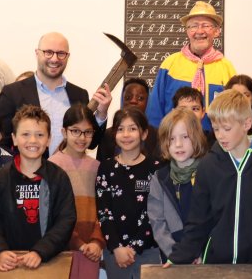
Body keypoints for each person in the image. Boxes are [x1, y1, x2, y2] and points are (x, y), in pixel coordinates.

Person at [165, 89, 252, 266]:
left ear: (246, 123)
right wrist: (178, 257)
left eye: (226, 128)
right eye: (216, 129)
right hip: (219, 263)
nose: (220, 135)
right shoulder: (208, 165)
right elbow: (198, 222)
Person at [0, 105, 76, 272]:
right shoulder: (0, 179)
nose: (33, 141)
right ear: (14, 138)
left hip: (50, 261)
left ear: (49, 139)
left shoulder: (59, 177)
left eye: (40, 135)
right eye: (25, 134)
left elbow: (66, 220)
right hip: (9, 262)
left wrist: (41, 251)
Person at [0, 32, 112, 153]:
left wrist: (101, 114)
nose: (54, 59)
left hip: (70, 171)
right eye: (48, 52)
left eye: (61, 53)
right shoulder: (12, 93)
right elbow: (3, 142)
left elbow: (91, 143)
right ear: (37, 53)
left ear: (68, 56)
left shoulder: (80, 95)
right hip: (27, 170)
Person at [147, 1, 237, 130]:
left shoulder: (227, 68)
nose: (199, 31)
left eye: (206, 25)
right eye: (193, 26)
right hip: (174, 142)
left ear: (217, 31)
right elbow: (155, 109)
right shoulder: (170, 65)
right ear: (187, 31)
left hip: (215, 144)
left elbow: (234, 113)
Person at [96, 108, 162, 278]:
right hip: (115, 252)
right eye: (120, 129)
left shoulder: (156, 168)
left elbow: (156, 212)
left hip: (149, 250)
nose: (126, 134)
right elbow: (104, 212)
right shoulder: (106, 167)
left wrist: (134, 247)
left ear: (144, 133)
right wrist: (117, 247)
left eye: (132, 128)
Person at [48, 104, 106, 279]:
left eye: (88, 132)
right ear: (64, 132)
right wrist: (78, 243)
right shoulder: (52, 166)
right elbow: (53, 213)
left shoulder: (97, 167)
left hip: (92, 249)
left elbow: (104, 209)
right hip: (62, 247)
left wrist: (96, 241)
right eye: (75, 131)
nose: (82, 138)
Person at [147, 108, 209, 258]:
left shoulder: (208, 172)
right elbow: (158, 223)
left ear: (197, 137)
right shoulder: (160, 178)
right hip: (174, 257)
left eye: (185, 137)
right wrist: (179, 255)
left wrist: (203, 253)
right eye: (172, 138)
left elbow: (215, 218)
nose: (178, 144)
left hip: (206, 256)